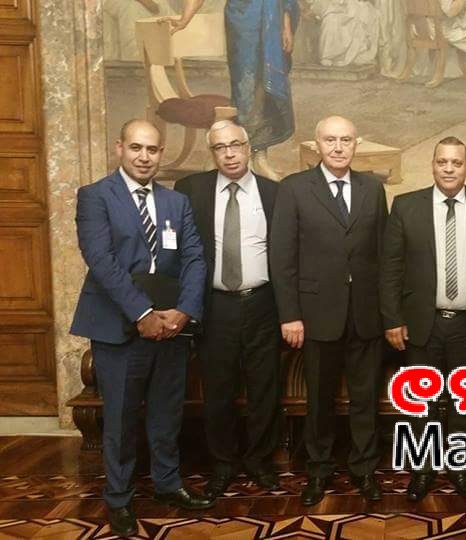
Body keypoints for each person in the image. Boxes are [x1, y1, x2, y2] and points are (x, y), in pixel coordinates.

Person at [70, 119, 212, 537]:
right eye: (136, 148)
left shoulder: (176, 202)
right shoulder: (96, 196)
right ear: (120, 148)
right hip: (119, 328)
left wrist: (183, 312)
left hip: (171, 327)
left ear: (161, 153)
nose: (144, 157)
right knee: (120, 419)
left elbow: (194, 258)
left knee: (167, 413)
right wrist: (143, 314)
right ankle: (119, 499)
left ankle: (168, 484)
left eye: (152, 149)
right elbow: (101, 261)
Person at [380, 136, 466, 502]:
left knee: (463, 402)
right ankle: (423, 470)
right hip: (422, 324)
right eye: (443, 162)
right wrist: (392, 319)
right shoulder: (406, 206)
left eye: (457, 162)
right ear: (433, 165)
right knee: (421, 402)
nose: (449, 169)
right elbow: (390, 269)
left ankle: (459, 468)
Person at [270, 116, 388, 505]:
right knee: (319, 400)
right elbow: (282, 258)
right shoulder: (294, 189)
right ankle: (318, 471)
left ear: (356, 144)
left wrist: (388, 313)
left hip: (366, 314)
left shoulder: (373, 188)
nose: (338, 147)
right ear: (316, 145)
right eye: (330, 140)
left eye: (346, 140)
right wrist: (290, 314)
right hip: (316, 314)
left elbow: (383, 255)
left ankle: (364, 469)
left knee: (365, 398)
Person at [174, 120, 281, 498]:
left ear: (249, 148)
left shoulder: (273, 192)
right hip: (215, 304)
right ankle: (222, 464)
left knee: (264, 388)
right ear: (213, 153)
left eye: (236, 145)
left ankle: (259, 461)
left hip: (263, 303)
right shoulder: (191, 190)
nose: (230, 153)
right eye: (221, 147)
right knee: (218, 390)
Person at [170, 0, 299, 181]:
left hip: (272, 22)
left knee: (265, 90)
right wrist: (185, 18)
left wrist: (286, 26)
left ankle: (260, 157)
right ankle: (245, 157)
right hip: (241, 24)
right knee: (245, 90)